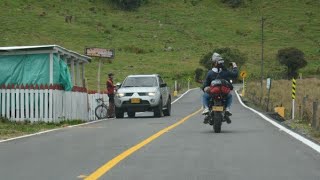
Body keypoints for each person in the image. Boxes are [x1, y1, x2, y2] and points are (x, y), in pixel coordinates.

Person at [202, 52, 238, 123]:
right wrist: (234, 66)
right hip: (223, 93)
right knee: (229, 96)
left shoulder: (210, 73)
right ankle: (227, 109)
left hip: (213, 93)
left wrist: (204, 88)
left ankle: (206, 108)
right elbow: (235, 74)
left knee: (205, 96)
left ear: (214, 63)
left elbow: (205, 84)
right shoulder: (225, 72)